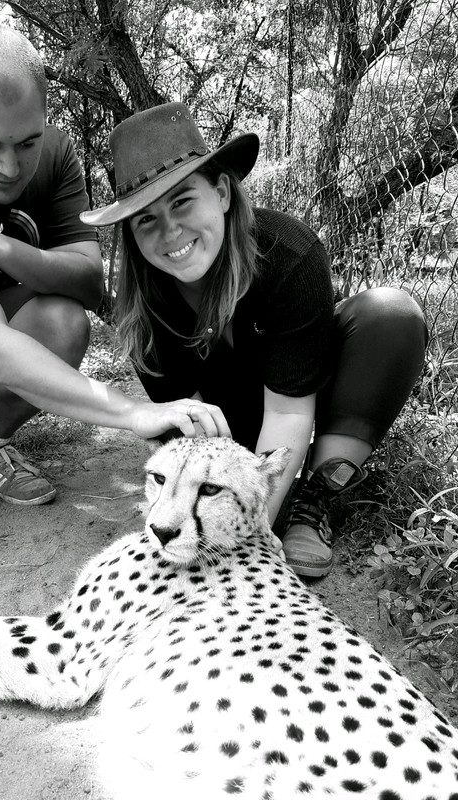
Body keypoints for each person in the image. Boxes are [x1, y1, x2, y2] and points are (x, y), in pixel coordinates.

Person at [0, 30, 230, 506]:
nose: (11, 168)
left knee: (62, 318)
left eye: (27, 143)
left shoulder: (57, 154)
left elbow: (87, 279)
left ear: (45, 117)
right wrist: (134, 413)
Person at [80, 102, 428, 578]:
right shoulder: (140, 304)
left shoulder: (291, 253)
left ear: (221, 192)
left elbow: (289, 410)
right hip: (230, 437)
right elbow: (189, 428)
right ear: (132, 234)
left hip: (304, 398)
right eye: (146, 219)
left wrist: (247, 544)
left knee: (391, 316)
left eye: (182, 201)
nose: (170, 232)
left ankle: (317, 498)